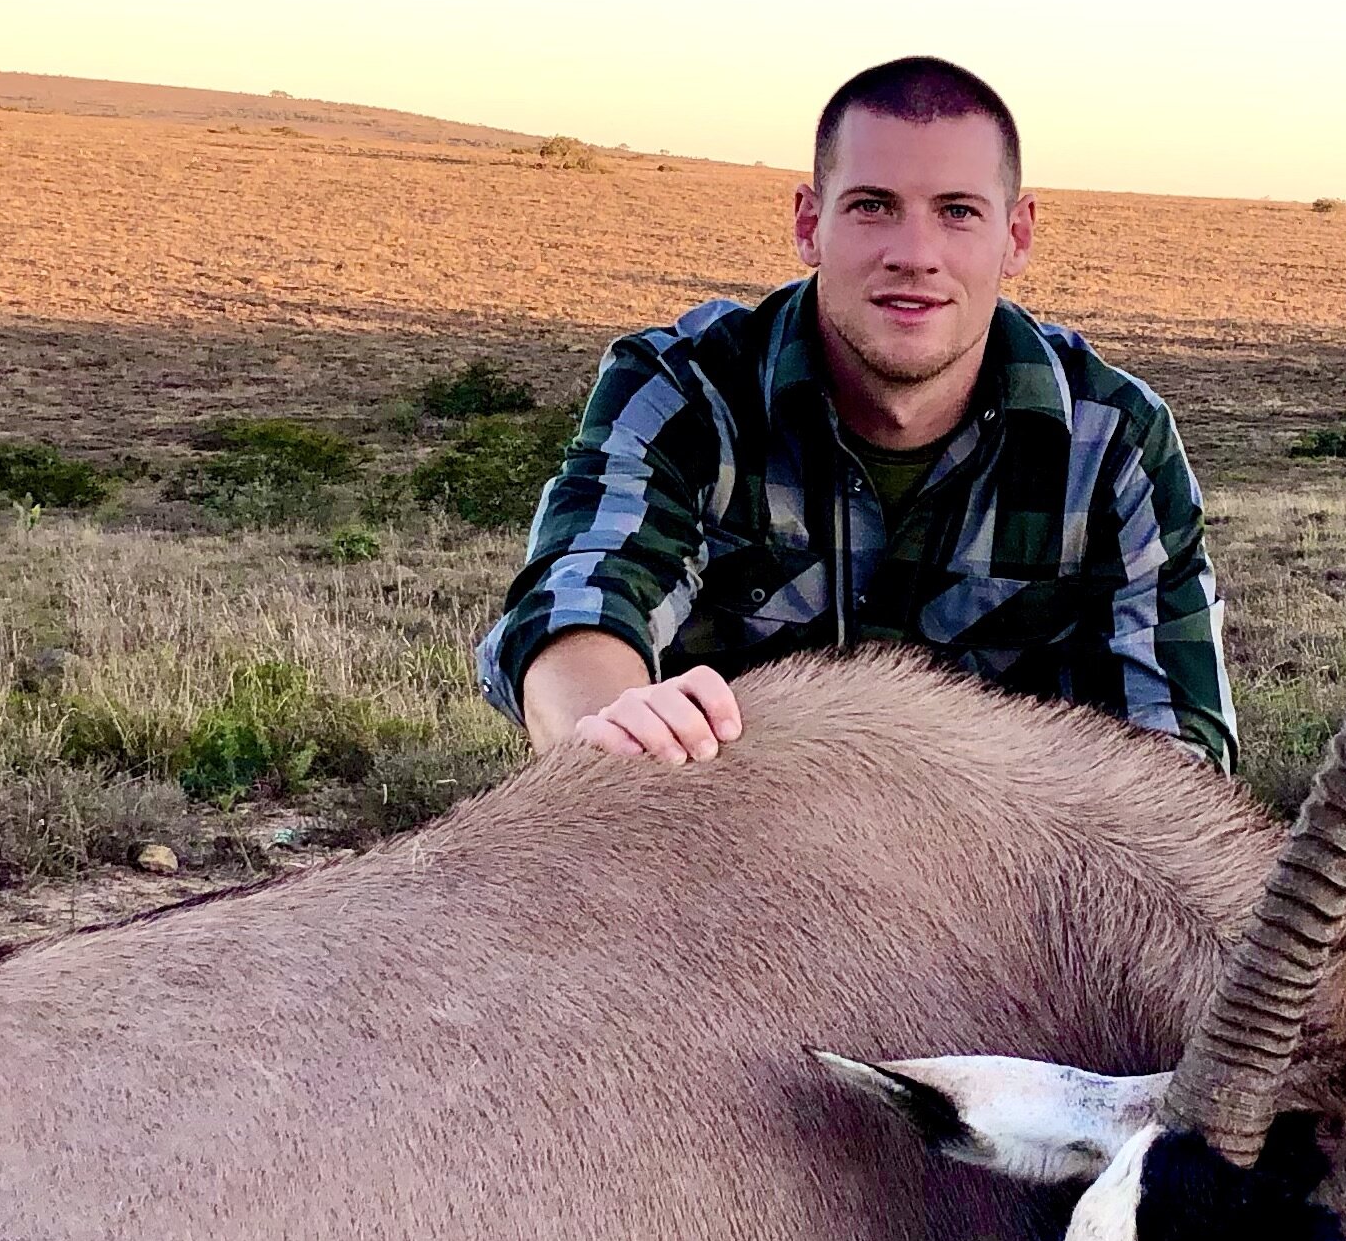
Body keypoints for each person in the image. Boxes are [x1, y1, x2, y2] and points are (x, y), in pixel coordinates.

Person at [477, 55, 1234, 771]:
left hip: (1006, 879)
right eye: (873, 207)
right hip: (717, 856)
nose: (915, 253)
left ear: (1018, 235)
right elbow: (580, 600)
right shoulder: (685, 390)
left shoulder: (1115, 440)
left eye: (958, 212)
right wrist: (611, 726)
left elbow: (1180, 751)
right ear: (810, 223)